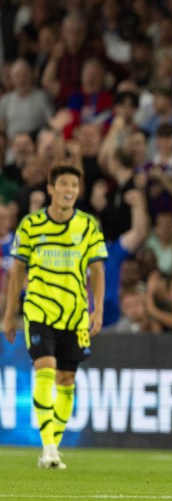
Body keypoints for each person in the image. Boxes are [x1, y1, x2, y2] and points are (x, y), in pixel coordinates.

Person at [2, 164, 108, 469]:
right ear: (51, 188)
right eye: (63, 184)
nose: (69, 190)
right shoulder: (30, 225)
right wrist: (10, 315)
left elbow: (97, 271)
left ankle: (52, 447)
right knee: (45, 369)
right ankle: (48, 447)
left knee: (66, 380)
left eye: (74, 185)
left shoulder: (88, 226)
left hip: (74, 315)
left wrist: (97, 309)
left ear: (78, 190)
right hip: (39, 310)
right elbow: (17, 271)